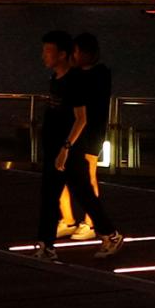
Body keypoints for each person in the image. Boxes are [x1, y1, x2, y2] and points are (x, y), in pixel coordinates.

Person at [35, 32, 119, 257]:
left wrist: (66, 148)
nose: (43, 55)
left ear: (64, 54)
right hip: (57, 147)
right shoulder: (56, 80)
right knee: (54, 195)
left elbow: (81, 118)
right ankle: (47, 245)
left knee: (83, 192)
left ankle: (107, 233)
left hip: (70, 147)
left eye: (48, 51)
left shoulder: (76, 81)